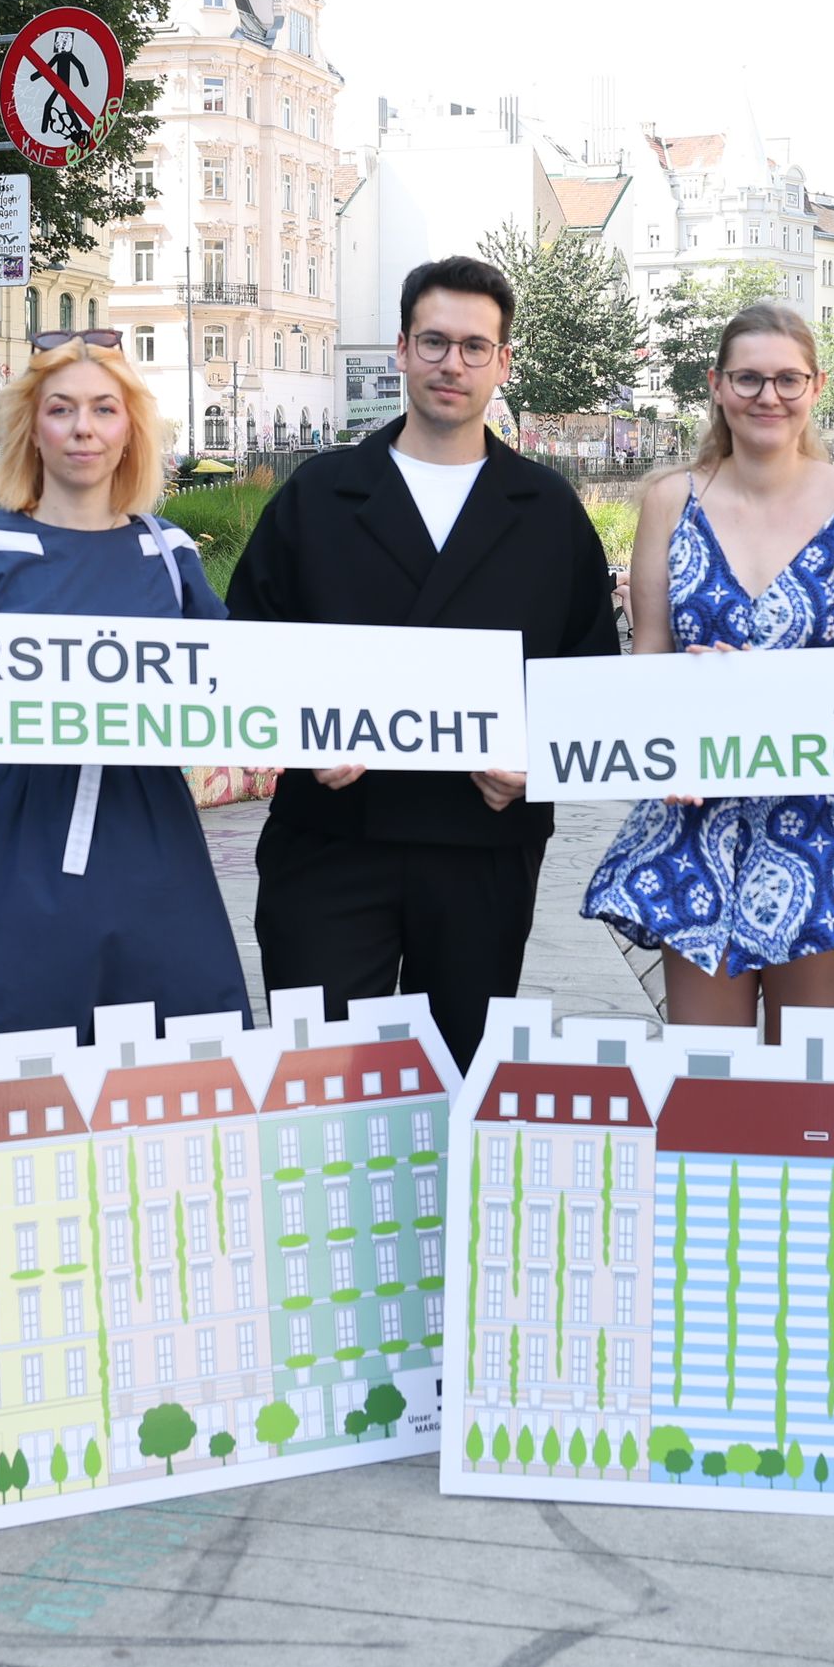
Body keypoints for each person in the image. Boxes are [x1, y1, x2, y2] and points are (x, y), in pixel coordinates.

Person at [228, 255, 621, 1068]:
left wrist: (535, 762)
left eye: (476, 347)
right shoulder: (319, 493)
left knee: (461, 1085)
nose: (454, 364)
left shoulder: (548, 511)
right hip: (329, 840)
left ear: (503, 362)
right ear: (401, 350)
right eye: (435, 341)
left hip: (482, 842)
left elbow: (592, 680)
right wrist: (297, 740)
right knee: (320, 1085)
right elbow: (246, 650)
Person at [585, 303, 834, 1031]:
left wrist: (768, 689)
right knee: (707, 1075)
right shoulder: (671, 500)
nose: (769, 396)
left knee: (809, 1076)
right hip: (697, 813)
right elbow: (647, 661)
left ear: (817, 385)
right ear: (718, 385)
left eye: (788, 379)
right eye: (750, 378)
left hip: (828, 817)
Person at [0, 336, 245, 1042]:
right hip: (9, 837)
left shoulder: (169, 553)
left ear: (130, 428)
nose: (84, 427)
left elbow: (238, 688)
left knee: (165, 1072)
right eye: (62, 408)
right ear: (33, 428)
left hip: (150, 839)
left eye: (105, 409)